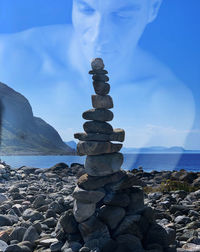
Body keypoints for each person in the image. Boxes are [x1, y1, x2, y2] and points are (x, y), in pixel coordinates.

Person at [0, 0, 195, 163]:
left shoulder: (170, 97)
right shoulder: (10, 51)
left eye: (122, 16)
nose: (98, 35)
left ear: (153, 8)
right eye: (87, 9)